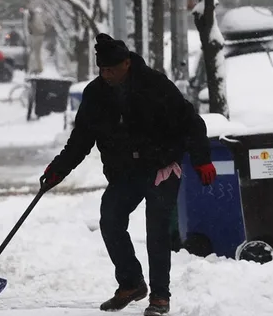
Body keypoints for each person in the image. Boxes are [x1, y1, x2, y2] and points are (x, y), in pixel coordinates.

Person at [41, 34, 215, 316]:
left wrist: (202, 160)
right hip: (126, 171)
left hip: (162, 167)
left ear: (126, 64)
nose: (106, 75)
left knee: (157, 228)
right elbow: (81, 139)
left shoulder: (155, 85)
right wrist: (58, 170)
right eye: (102, 70)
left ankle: (160, 296)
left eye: (111, 69)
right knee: (110, 219)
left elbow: (191, 122)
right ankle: (131, 283)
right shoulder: (96, 94)